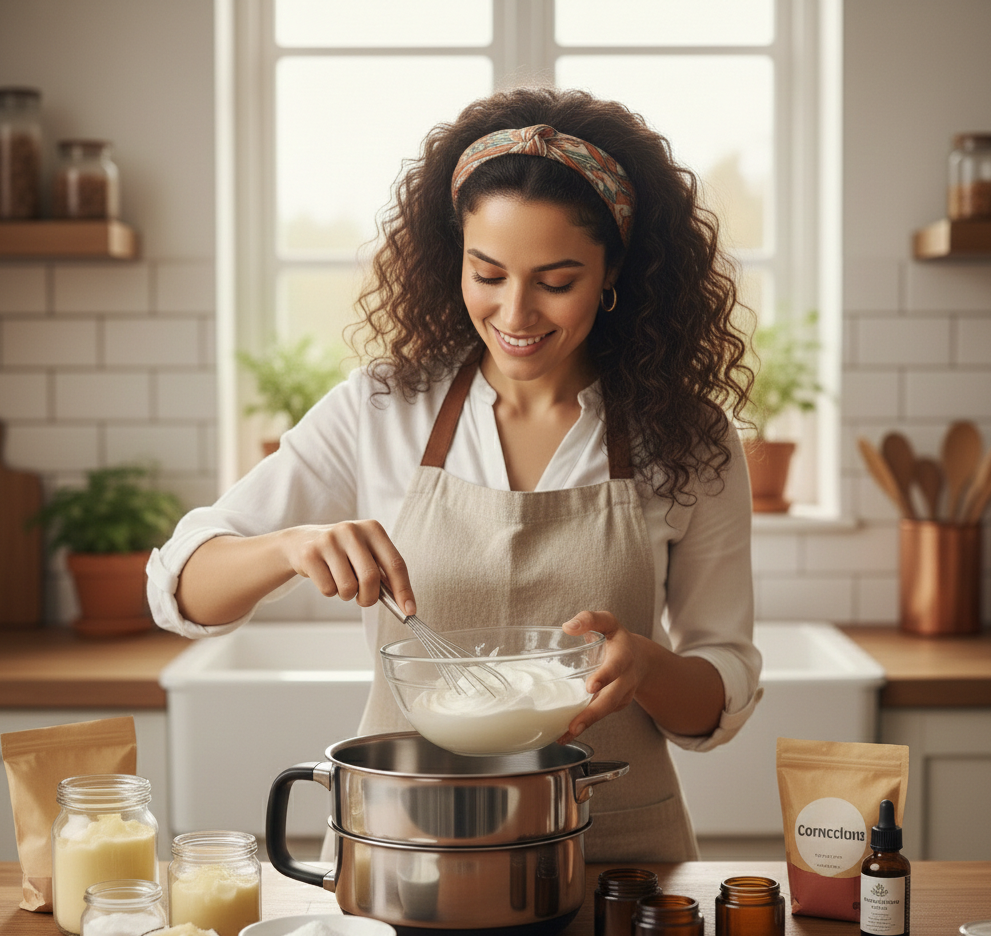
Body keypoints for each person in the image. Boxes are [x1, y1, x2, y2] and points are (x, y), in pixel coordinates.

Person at [147, 86, 762, 862]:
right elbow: (176, 586)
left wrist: (649, 666)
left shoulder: (687, 438)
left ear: (614, 274)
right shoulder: (382, 408)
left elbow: (722, 688)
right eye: (488, 272)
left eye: (557, 279)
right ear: (454, 261)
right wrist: (290, 547)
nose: (516, 312)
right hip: (409, 851)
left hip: (616, 855)